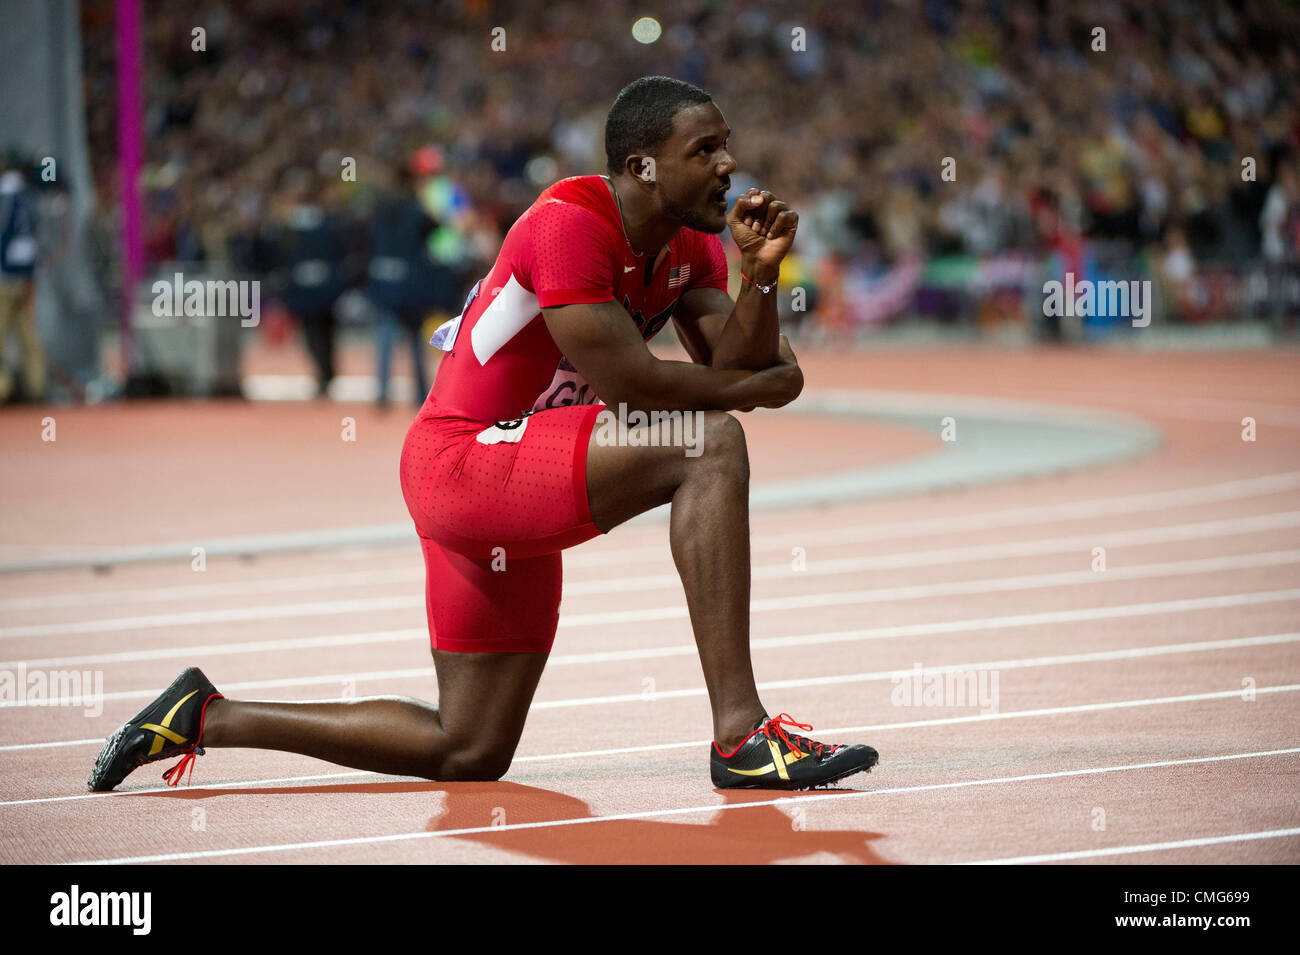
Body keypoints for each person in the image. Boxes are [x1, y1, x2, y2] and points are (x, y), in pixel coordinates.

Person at [89, 77, 879, 793]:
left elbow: (736, 361)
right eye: (704, 149)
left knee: (467, 747)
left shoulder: (694, 246)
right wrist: (761, 383)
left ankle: (206, 716)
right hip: (461, 464)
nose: (727, 163)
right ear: (641, 166)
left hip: (518, 472)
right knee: (708, 445)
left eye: (725, 145)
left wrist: (762, 276)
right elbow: (642, 385)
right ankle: (741, 734)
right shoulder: (569, 224)